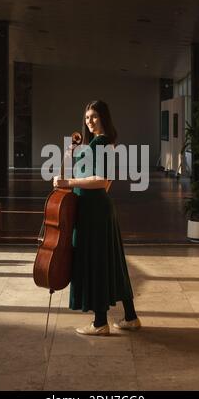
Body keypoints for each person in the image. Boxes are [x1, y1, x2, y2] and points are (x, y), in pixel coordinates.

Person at [53, 100, 141, 335]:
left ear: (104, 118)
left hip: (93, 211)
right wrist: (69, 156)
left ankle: (100, 323)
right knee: (111, 262)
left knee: (95, 263)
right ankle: (130, 317)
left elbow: (102, 181)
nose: (89, 121)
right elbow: (106, 183)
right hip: (99, 208)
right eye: (87, 117)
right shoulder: (103, 144)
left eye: (94, 116)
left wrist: (68, 183)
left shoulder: (100, 144)